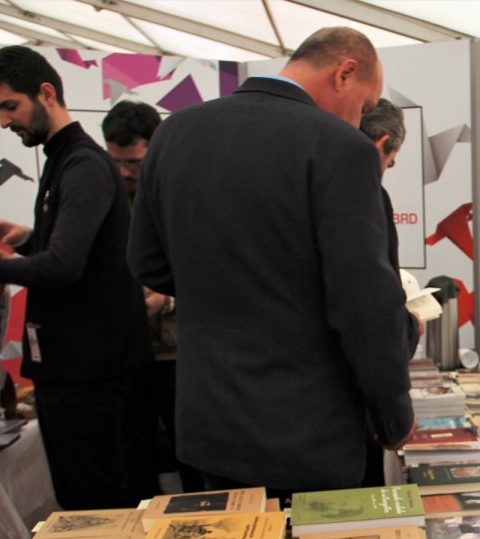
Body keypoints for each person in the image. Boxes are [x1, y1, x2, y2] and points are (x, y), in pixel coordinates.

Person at [128, 27, 416, 496]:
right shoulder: (341, 147)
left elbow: (147, 262)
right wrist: (394, 416)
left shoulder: (174, 132)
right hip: (308, 431)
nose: (359, 119)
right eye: (364, 107)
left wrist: (227, 290)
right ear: (344, 73)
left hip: (210, 424)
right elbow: (364, 305)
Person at [0, 46, 151, 511]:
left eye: (10, 106)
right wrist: (27, 239)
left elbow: (64, 266)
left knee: (96, 503)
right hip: (74, 368)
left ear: (46, 93)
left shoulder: (83, 164)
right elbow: (77, 252)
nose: (4, 122)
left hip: (87, 371)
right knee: (82, 498)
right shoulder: (65, 159)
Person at [103, 100, 198, 494]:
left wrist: (168, 300)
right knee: (135, 456)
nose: (125, 173)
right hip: (128, 353)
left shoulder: (185, 197)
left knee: (191, 459)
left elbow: (213, 278)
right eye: (116, 162)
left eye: (134, 163)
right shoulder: (107, 198)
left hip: (179, 354)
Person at [358, 97, 420, 487]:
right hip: (343, 416)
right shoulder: (363, 196)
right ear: (383, 144)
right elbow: (369, 313)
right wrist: (395, 419)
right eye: (391, 162)